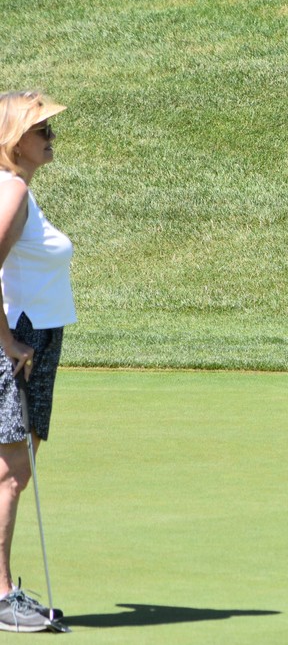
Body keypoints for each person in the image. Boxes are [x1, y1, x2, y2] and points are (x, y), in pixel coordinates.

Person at [0, 91, 75, 631]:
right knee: (11, 472)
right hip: (22, 340)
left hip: (36, 337)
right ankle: (1, 596)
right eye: (41, 129)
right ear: (14, 139)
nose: (51, 137)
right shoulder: (13, 190)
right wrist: (7, 341)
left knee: (13, 470)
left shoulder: (15, 189)